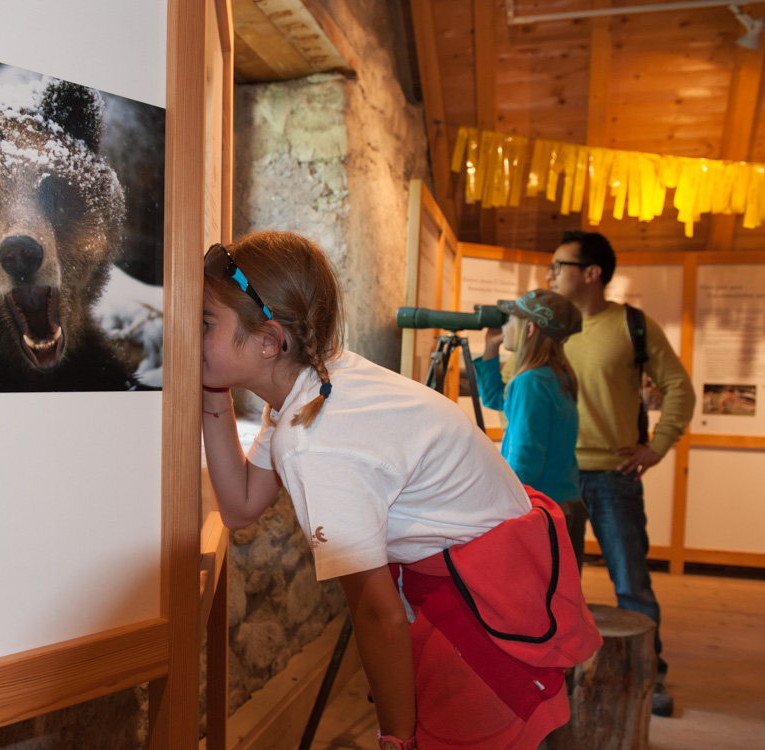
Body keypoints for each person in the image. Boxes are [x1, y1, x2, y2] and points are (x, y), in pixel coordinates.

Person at [202, 230, 601, 750]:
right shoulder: (320, 383)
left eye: (207, 323)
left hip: (480, 628)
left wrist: (397, 737)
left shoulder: (317, 439)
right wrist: (211, 390)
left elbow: (377, 614)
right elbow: (239, 504)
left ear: (268, 340)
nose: (191, 333)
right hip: (490, 596)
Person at [548, 230, 696, 717]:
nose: (551, 274)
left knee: (630, 582)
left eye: (559, 265)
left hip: (614, 477)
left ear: (590, 273)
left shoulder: (633, 324)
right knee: (555, 584)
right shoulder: (551, 326)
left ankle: (648, 678)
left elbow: (679, 388)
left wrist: (657, 448)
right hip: (559, 477)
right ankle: (556, 678)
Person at [472, 289, 588, 572]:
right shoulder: (556, 375)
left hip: (541, 510)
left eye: (511, 320)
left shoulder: (530, 382)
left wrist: (504, 510)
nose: (503, 326)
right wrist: (490, 350)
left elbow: (525, 456)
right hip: (565, 503)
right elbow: (497, 399)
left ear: (530, 329)